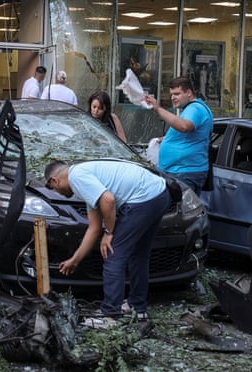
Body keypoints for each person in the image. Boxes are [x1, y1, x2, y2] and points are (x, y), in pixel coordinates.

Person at [44, 159, 171, 321]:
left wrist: (109, 233)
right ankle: (137, 307)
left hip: (143, 199)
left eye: (54, 189)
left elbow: (108, 200)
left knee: (113, 254)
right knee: (138, 254)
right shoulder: (88, 182)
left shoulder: (76, 177)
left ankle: (110, 314)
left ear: (54, 180)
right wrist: (75, 260)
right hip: (159, 194)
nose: (58, 193)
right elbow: (94, 228)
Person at [145, 76, 213, 195]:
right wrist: (167, 139)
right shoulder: (190, 109)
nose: (173, 98)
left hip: (184, 172)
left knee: (179, 212)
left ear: (189, 93)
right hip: (179, 171)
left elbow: (184, 126)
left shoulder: (195, 108)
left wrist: (157, 108)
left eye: (177, 94)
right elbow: (191, 135)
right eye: (171, 94)